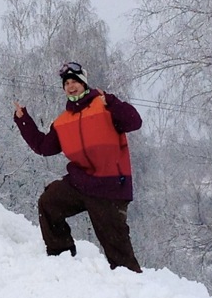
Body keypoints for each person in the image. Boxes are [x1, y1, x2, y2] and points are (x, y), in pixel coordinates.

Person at [13, 61, 143, 271]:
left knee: (118, 252)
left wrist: (111, 101)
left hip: (110, 187)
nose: (71, 86)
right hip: (80, 183)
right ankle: (61, 258)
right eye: (67, 83)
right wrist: (23, 120)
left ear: (84, 83)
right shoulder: (63, 122)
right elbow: (43, 146)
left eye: (75, 81)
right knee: (49, 203)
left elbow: (134, 122)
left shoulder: (105, 107)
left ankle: (132, 285)